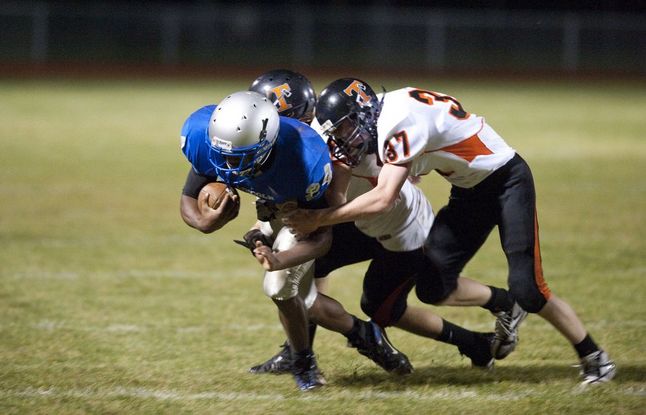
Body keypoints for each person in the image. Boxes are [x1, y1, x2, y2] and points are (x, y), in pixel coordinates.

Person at [283, 78, 617, 386]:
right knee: (431, 285)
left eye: (346, 129)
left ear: (365, 113)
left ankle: (593, 357)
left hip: (507, 181)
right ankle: (507, 306)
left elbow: (384, 198)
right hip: (468, 191)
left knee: (529, 288)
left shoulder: (397, 123)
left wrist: (319, 219)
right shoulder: (379, 109)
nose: (344, 138)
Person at [247, 70, 522, 375]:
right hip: (360, 221)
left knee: (382, 308)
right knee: (309, 268)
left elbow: (363, 196)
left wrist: (312, 217)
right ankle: (299, 351)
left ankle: (474, 339)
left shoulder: (335, 136)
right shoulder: (330, 131)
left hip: (401, 228)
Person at [178, 90, 411, 391]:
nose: (228, 167)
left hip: (299, 212)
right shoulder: (205, 136)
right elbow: (188, 197)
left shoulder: (304, 160)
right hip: (274, 203)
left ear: (267, 143)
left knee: (278, 287)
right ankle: (365, 335)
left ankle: (303, 362)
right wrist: (205, 222)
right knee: (307, 301)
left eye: (241, 157)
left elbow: (322, 236)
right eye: (223, 154)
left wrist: (279, 259)